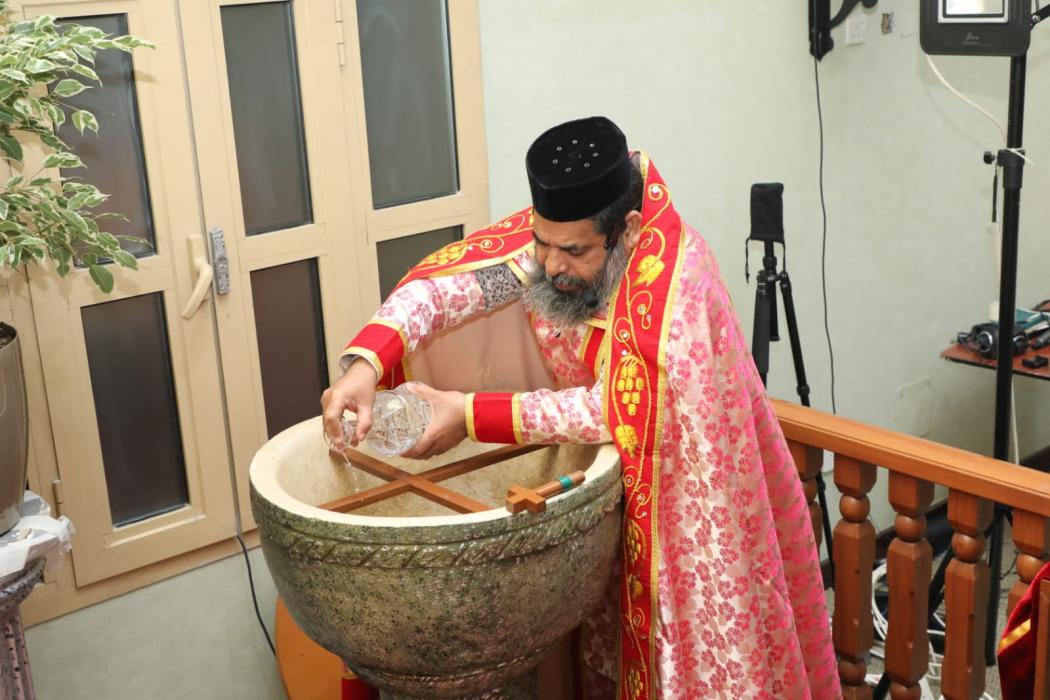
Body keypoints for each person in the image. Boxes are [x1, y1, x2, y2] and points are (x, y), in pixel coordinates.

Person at [322, 116, 838, 698]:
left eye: (571, 251)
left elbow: (614, 407)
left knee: (686, 667)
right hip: (603, 492)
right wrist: (367, 362)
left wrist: (468, 415)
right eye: (540, 243)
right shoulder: (561, 244)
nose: (549, 266)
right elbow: (449, 290)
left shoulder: (679, 288)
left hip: (685, 514)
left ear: (628, 231)